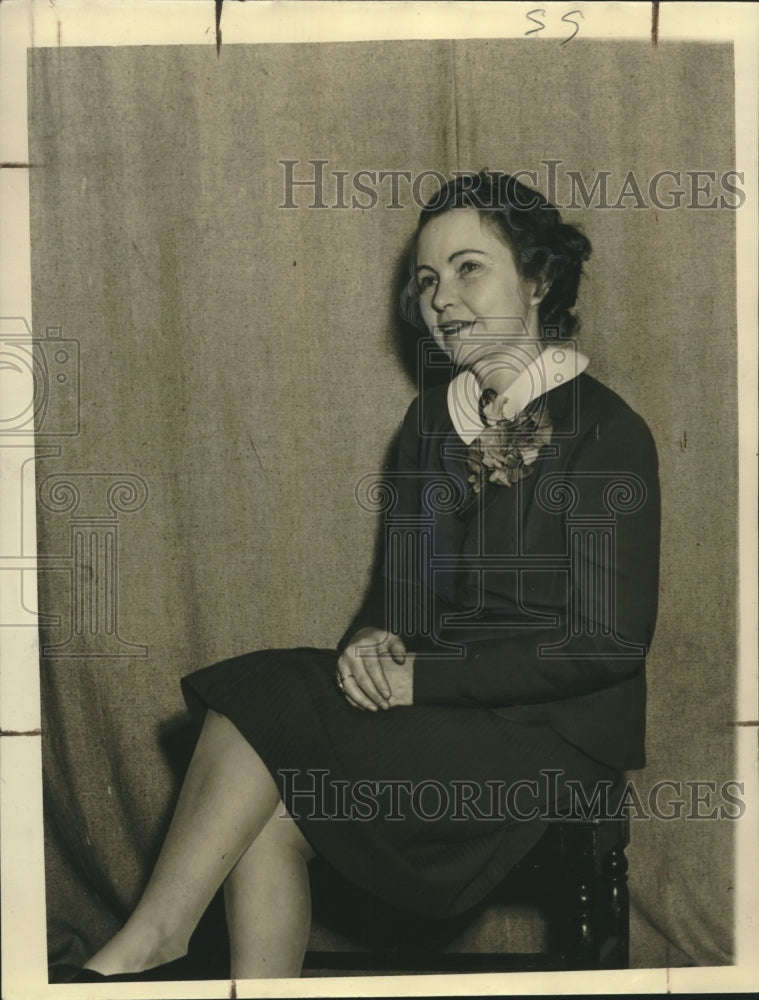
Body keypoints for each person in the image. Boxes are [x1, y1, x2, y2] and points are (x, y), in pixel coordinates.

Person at [74, 171, 660, 982]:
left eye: (467, 269)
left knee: (267, 691)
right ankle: (187, 953)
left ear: (538, 280)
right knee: (267, 809)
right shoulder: (430, 422)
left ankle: (152, 941)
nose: (440, 299)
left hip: (552, 738)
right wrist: (374, 639)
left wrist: (418, 678)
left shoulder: (606, 429)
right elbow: (398, 595)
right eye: (426, 280)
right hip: (448, 716)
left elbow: (608, 647)